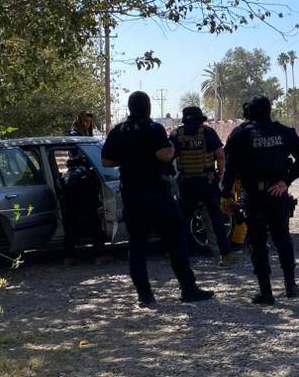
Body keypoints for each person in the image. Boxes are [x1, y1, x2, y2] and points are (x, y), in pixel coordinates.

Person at [102, 91, 214, 307]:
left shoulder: (119, 131)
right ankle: (188, 288)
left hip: (132, 195)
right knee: (176, 240)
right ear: (148, 107)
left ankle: (145, 295)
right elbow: (164, 155)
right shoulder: (153, 129)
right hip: (157, 194)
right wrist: (171, 148)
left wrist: (128, 158)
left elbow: (107, 161)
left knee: (137, 245)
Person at [220, 94, 299, 305]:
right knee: (282, 240)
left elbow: (230, 166)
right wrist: (286, 181)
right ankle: (291, 286)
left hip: (254, 196)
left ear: (249, 112)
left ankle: (266, 293)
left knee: (258, 243)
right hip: (277, 195)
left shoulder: (241, 134)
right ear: (269, 110)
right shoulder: (284, 132)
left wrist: (224, 193)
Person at [170, 106, 232, 260]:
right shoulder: (207, 132)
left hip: (186, 183)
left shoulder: (176, 134)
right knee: (216, 218)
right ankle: (225, 254)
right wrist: (220, 173)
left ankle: (181, 255)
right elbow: (220, 156)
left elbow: (169, 157)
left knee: (183, 221)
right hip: (207, 182)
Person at [61, 149, 104, 265]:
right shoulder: (87, 172)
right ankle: (100, 256)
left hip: (70, 205)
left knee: (70, 229)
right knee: (96, 227)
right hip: (88, 203)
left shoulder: (68, 174)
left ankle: (69, 257)